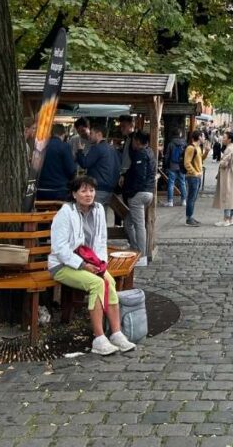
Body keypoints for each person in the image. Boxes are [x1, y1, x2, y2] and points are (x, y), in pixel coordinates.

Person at [49, 176, 135, 355]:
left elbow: (101, 241)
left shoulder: (98, 210)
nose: (88, 194)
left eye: (91, 190)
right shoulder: (66, 213)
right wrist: (82, 265)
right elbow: (60, 248)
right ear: (74, 194)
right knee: (97, 283)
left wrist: (100, 264)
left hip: (91, 262)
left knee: (109, 281)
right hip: (63, 265)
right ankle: (98, 337)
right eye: (83, 191)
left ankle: (116, 333)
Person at [123, 132, 155, 263]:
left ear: (136, 141)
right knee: (128, 222)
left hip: (139, 193)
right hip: (148, 193)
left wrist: (131, 192)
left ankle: (141, 256)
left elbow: (140, 176)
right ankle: (135, 248)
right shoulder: (150, 152)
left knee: (139, 225)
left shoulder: (141, 154)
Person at [76, 125, 120, 207]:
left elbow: (85, 163)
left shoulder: (97, 148)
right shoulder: (112, 149)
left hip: (99, 188)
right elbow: (117, 168)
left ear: (98, 134)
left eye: (92, 133)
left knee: (94, 215)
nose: (90, 136)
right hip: (110, 190)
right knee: (102, 217)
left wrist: (79, 151)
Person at [36, 123, 78, 201]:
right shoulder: (64, 147)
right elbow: (71, 170)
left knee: (41, 212)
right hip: (59, 189)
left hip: (40, 189)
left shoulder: (41, 146)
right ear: (63, 134)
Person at [214, 131, 233, 226]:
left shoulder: (229, 149)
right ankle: (231, 218)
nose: (222, 139)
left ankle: (226, 219)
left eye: (224, 137)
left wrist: (221, 161)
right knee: (232, 196)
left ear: (229, 139)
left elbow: (224, 163)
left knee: (227, 196)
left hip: (228, 174)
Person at [183, 130, 205, 226]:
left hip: (197, 176)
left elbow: (200, 159)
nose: (204, 138)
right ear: (199, 137)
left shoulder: (198, 148)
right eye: (203, 136)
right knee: (191, 198)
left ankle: (190, 216)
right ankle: (189, 218)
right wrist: (195, 173)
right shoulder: (191, 148)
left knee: (193, 197)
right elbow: (186, 163)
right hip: (192, 177)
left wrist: (207, 151)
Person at [163, 129, 188, 207]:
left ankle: (170, 201)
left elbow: (167, 156)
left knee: (171, 183)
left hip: (172, 165)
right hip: (181, 166)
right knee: (182, 183)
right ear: (180, 134)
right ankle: (183, 200)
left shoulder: (170, 144)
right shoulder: (184, 143)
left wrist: (166, 165)